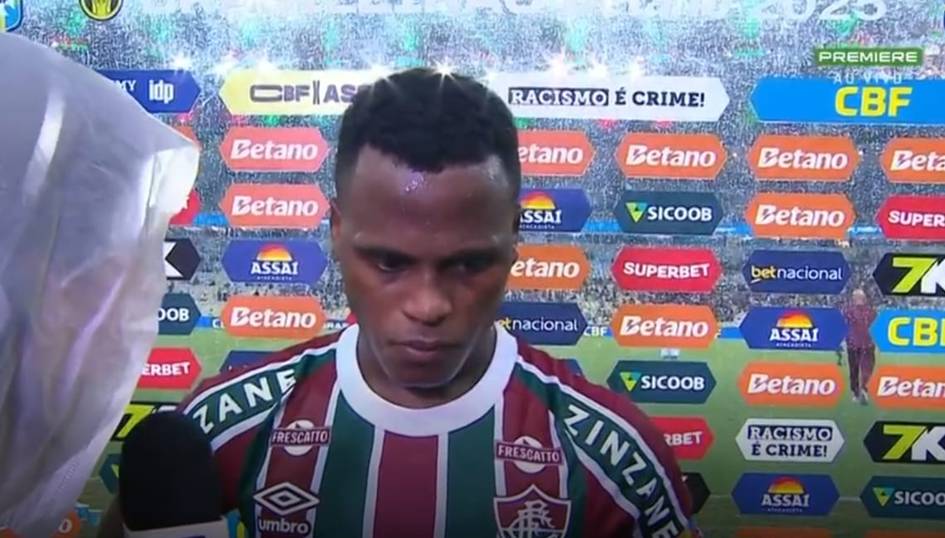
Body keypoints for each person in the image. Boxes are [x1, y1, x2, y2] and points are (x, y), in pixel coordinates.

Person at [100, 68, 696, 537]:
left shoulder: (616, 460)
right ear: (336, 232)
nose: (428, 305)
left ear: (515, 236)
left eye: (468, 264)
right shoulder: (226, 423)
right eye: (388, 262)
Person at [839, 288, 877, 405]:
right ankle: (860, 390)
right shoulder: (867, 312)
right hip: (860, 344)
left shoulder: (851, 311)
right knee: (859, 369)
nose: (858, 299)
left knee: (861, 369)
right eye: (857, 297)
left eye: (860, 297)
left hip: (862, 344)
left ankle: (860, 390)